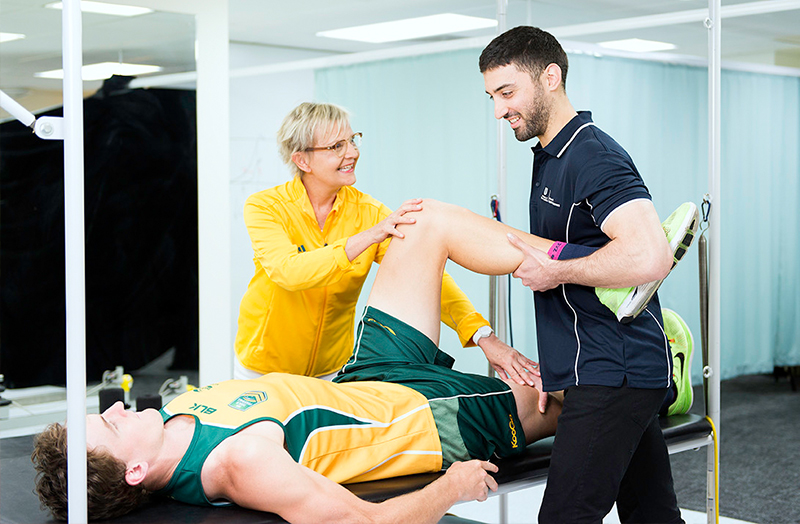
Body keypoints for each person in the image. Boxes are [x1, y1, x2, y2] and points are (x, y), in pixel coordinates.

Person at [34, 199, 569, 523]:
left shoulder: (179, 412)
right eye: (111, 423)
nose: (120, 409)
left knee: (421, 221)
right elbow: (362, 520)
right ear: (134, 471)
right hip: (423, 419)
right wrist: (451, 489)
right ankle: (653, 341)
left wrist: (481, 333)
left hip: (370, 374)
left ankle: (582, 266)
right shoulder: (236, 464)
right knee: (576, 389)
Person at [480, 26, 691, 523]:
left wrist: (557, 271)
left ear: (550, 77)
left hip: (612, 371)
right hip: (602, 368)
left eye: (507, 92)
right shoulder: (552, 156)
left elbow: (649, 255)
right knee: (652, 514)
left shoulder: (593, 155)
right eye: (491, 96)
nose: (498, 110)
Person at [234, 102, 538, 387]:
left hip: (330, 371)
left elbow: (426, 276)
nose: (351, 152)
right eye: (336, 146)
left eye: (352, 140)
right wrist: (368, 237)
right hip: (263, 368)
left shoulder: (368, 212)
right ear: (302, 160)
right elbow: (289, 272)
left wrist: (484, 336)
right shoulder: (266, 207)